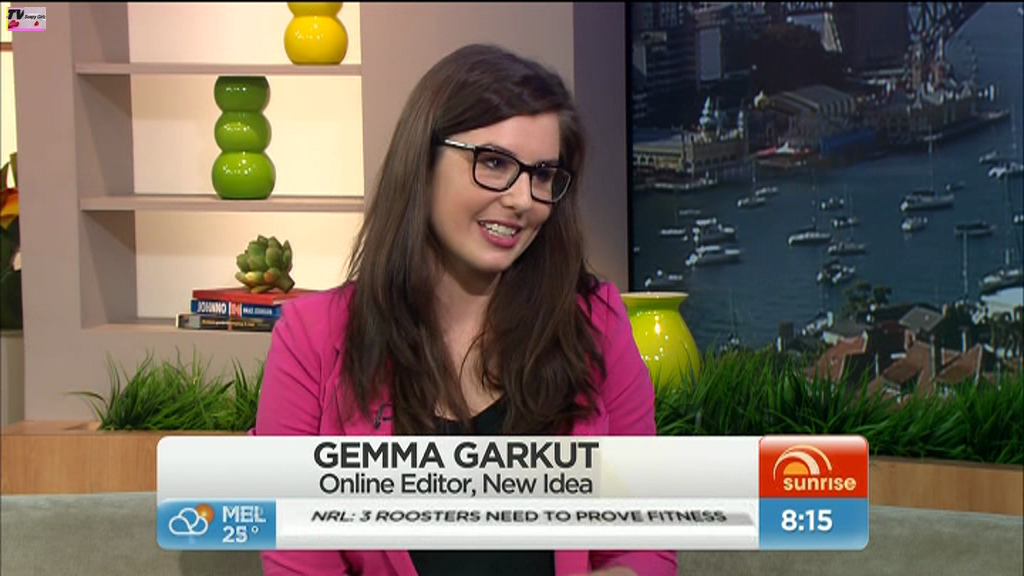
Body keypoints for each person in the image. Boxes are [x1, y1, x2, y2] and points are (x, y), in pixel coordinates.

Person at [254, 43, 677, 576]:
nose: (523, 200)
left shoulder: (596, 326)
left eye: (542, 175)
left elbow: (644, 548)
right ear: (423, 162)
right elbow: (300, 564)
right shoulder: (311, 341)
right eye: (494, 163)